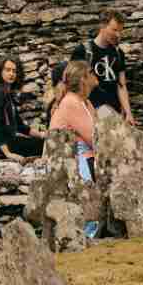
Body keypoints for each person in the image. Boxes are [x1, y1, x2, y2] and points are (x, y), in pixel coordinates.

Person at [72, 10, 134, 126]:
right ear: (102, 26)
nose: (118, 35)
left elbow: (121, 85)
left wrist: (128, 113)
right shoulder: (82, 51)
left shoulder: (118, 53)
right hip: (90, 112)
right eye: (114, 30)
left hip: (114, 112)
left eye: (120, 31)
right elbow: (73, 85)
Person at [49, 59, 100, 188]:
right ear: (83, 79)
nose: (96, 74)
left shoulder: (86, 102)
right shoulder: (71, 102)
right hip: (74, 163)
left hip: (89, 157)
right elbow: (95, 139)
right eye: (92, 72)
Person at [0, 57, 45, 159]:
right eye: (7, 70)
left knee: (43, 143)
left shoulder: (7, 94)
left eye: (14, 71)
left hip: (9, 140)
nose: (11, 74)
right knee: (43, 146)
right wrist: (8, 154)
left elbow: (20, 126)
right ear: (0, 72)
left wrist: (41, 135)